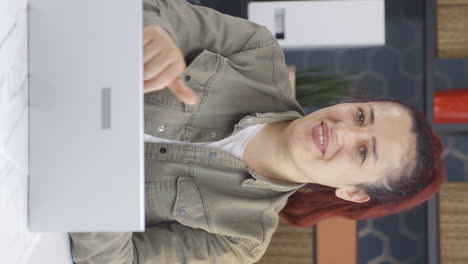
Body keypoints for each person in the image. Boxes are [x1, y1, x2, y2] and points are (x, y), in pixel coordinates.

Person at [69, 0, 446, 263]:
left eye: (363, 153)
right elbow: (147, 11)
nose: (343, 131)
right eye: (362, 116)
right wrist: (153, 35)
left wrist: (98, 174)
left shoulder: (239, 240)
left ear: (352, 193)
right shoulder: (255, 50)